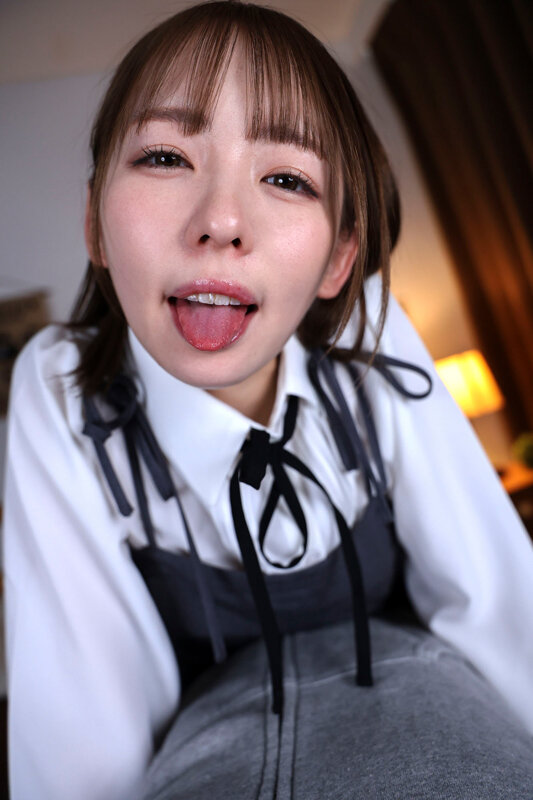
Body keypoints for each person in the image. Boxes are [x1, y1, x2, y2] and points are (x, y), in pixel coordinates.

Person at [3, 2, 533, 799]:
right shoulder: (61, 387)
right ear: (95, 225)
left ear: (338, 258)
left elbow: (489, 605)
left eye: (286, 178)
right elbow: (86, 733)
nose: (220, 221)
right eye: (164, 157)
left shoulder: (369, 331)